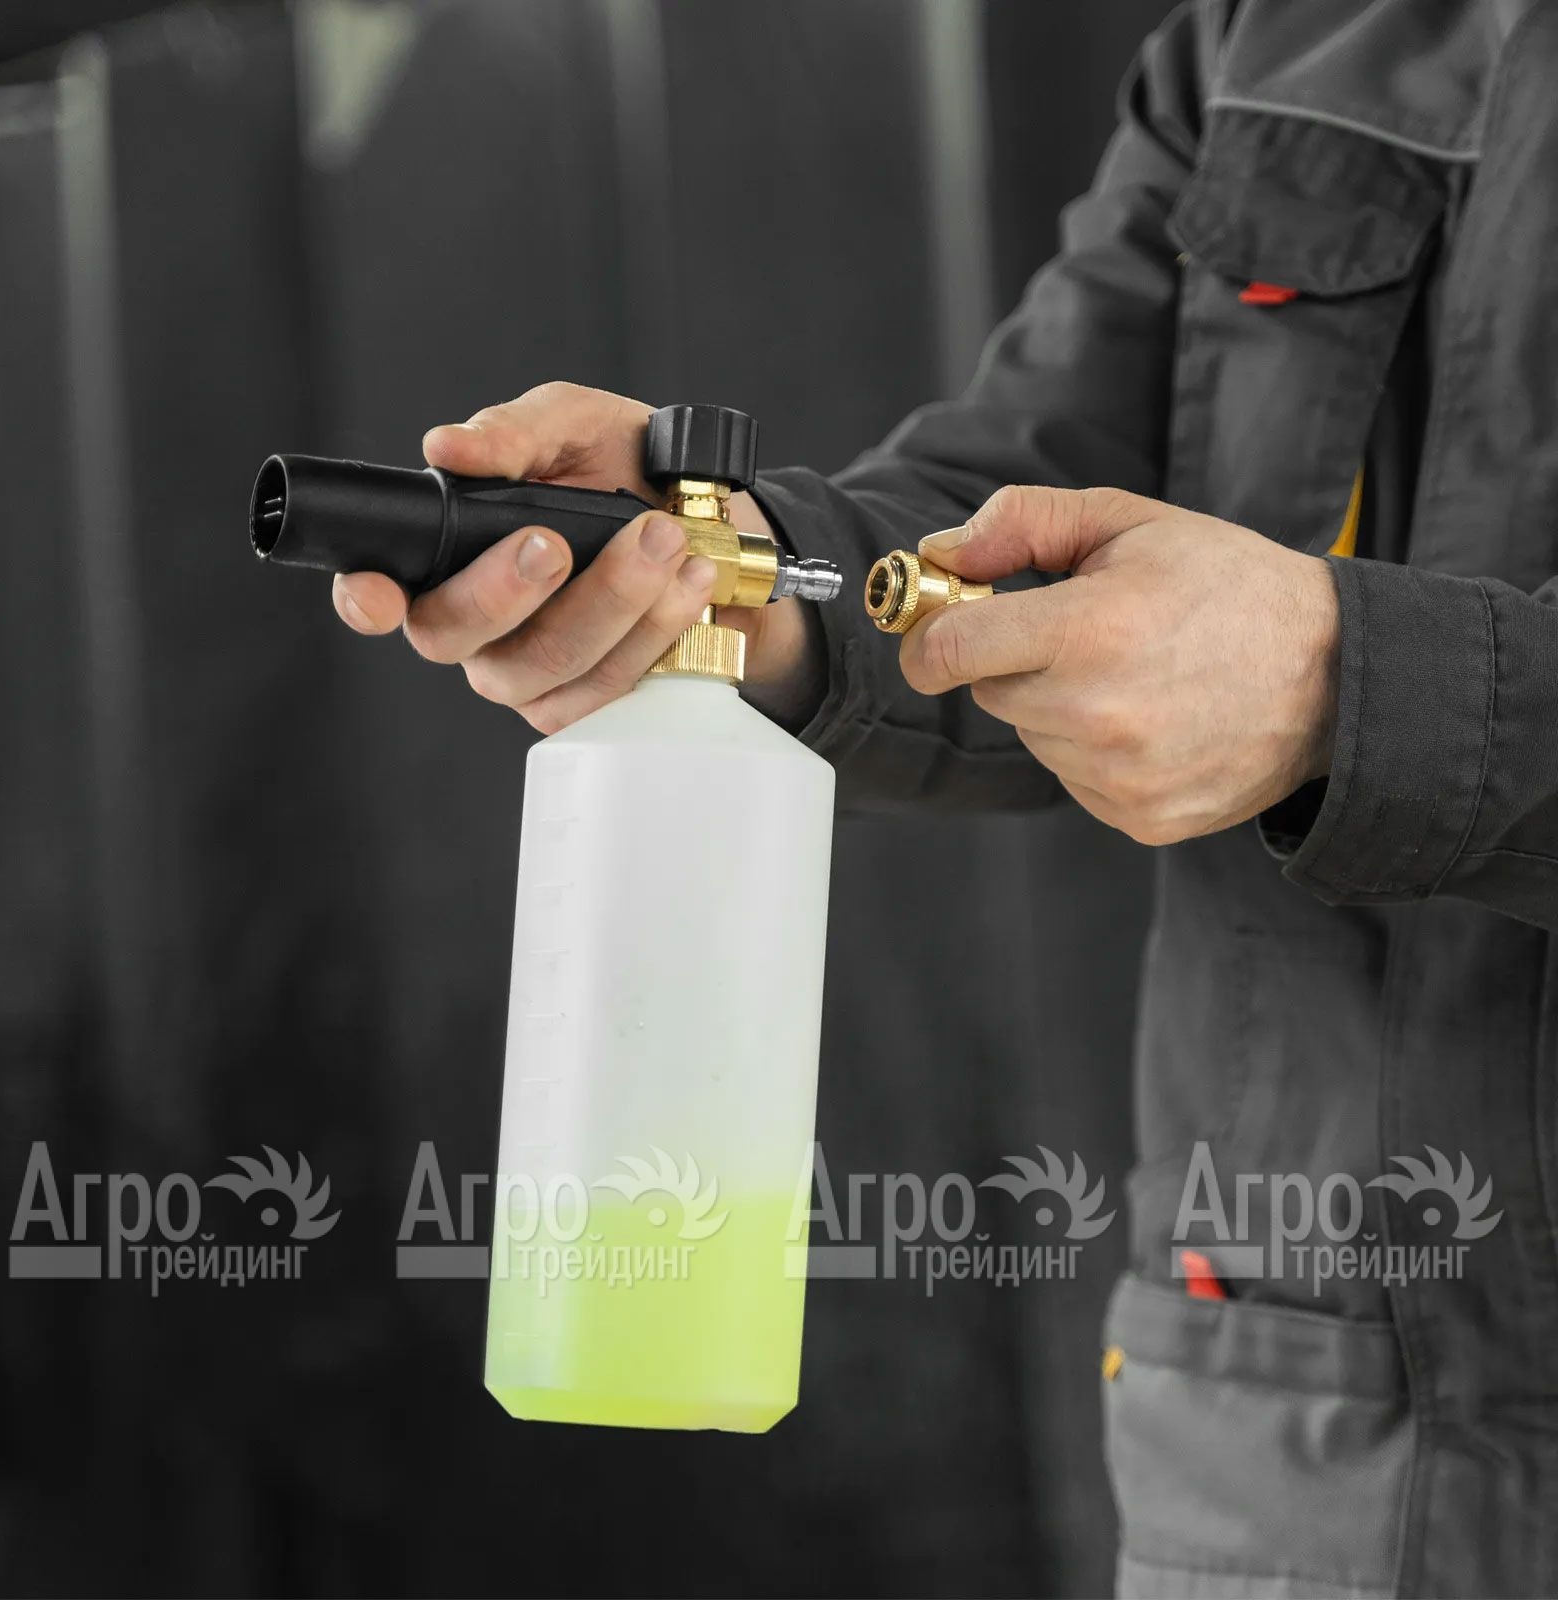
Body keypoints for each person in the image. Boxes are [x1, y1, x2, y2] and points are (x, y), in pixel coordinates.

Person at [330, 3, 1558, 1595]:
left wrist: (1351, 688)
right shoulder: (1280, 39)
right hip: (1300, 1471)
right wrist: (730, 587)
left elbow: (1305, 657)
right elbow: (1024, 512)